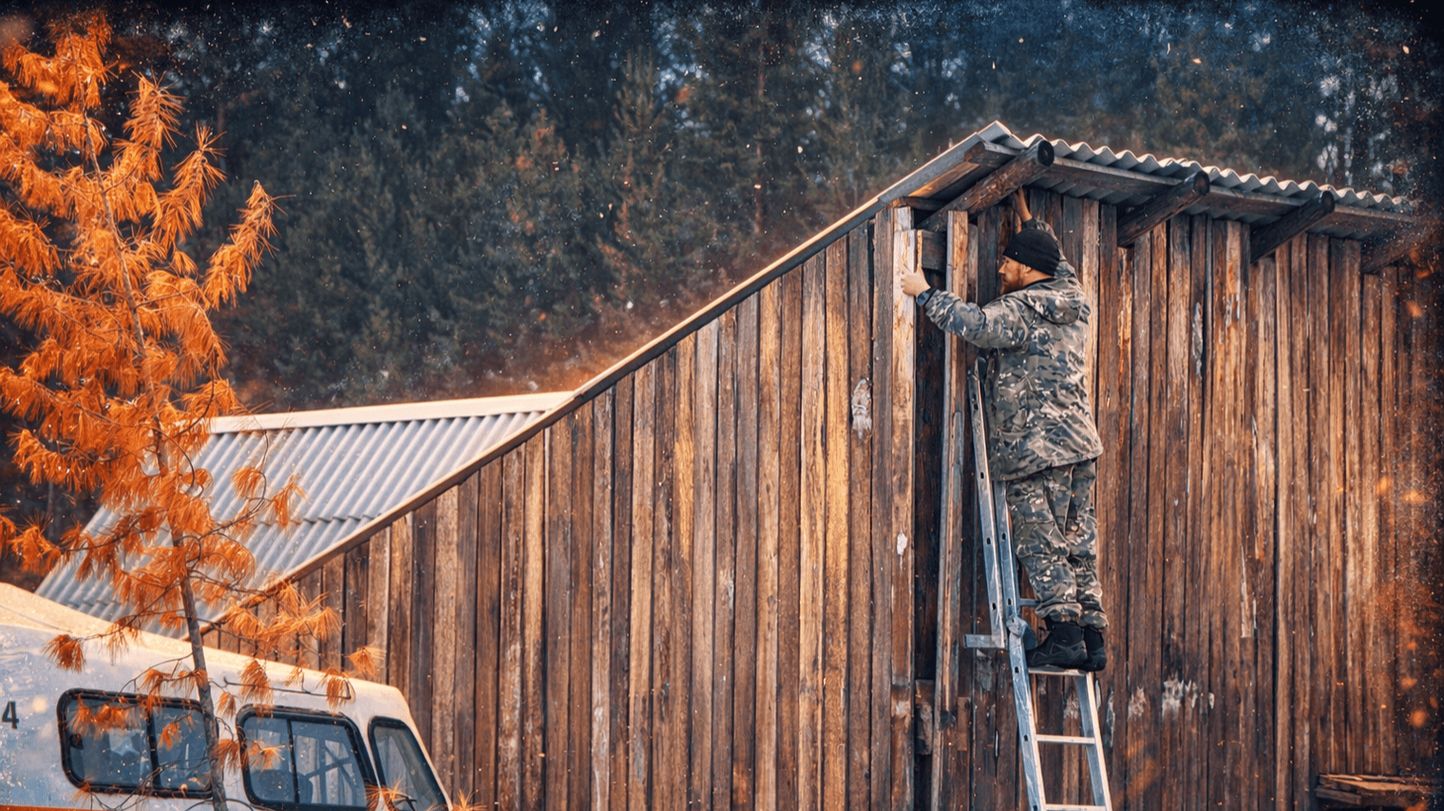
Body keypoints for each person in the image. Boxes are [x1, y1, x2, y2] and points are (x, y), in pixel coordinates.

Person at [898, 191, 1108, 671]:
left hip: (1037, 449)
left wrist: (923, 291)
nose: (1001, 269)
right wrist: (1024, 211)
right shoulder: (1072, 298)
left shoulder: (1021, 312)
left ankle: (1064, 637)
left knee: (1041, 538)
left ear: (1029, 271)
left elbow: (973, 322)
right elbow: (1055, 257)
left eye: (1010, 262)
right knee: (1079, 539)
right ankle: (1092, 639)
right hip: (1079, 445)